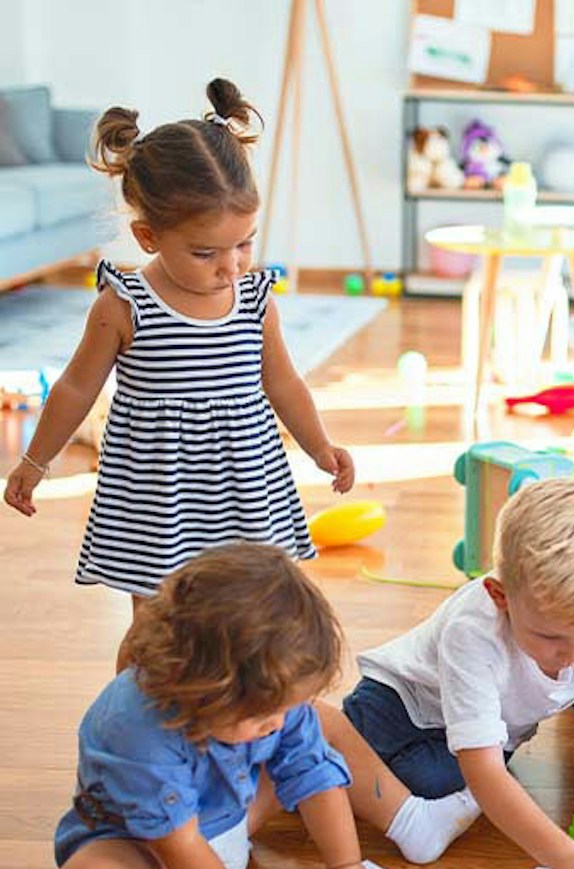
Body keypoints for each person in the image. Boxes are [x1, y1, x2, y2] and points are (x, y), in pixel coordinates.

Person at [3, 78, 353, 664]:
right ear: (148, 236)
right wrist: (35, 461)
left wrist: (321, 448)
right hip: (156, 493)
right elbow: (75, 387)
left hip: (245, 484)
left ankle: (239, 723)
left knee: (251, 620)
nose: (231, 266)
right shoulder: (124, 304)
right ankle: (129, 734)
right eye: (205, 252)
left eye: (244, 244)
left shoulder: (256, 297)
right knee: (155, 631)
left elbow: (283, 383)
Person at [52, 543, 373, 869]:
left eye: (285, 709)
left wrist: (345, 863)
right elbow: (177, 844)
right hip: (149, 853)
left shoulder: (271, 698)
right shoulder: (132, 726)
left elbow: (312, 771)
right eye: (267, 714)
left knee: (313, 746)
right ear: (200, 690)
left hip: (234, 817)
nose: (281, 720)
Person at [318, 478, 574, 869]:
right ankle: (412, 818)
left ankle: (427, 801)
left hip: (482, 734)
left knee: (434, 779)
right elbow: (483, 770)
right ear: (500, 596)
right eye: (550, 637)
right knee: (327, 773)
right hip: (400, 705)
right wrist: (564, 857)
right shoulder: (473, 630)